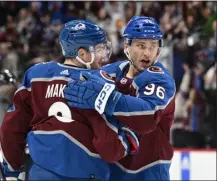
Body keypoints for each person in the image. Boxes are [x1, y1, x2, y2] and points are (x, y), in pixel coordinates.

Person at [0, 20, 139, 181]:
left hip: (42, 174)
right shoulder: (100, 83)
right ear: (82, 54)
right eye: (99, 49)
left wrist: (11, 170)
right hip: (88, 174)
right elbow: (111, 148)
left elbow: (10, 129)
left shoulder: (37, 76)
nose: (103, 56)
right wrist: (129, 140)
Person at [64, 16, 176, 180]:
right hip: (111, 171)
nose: (147, 52)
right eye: (141, 45)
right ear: (127, 46)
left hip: (149, 172)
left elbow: (147, 116)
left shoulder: (160, 79)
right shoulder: (109, 71)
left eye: (153, 46)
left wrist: (104, 98)